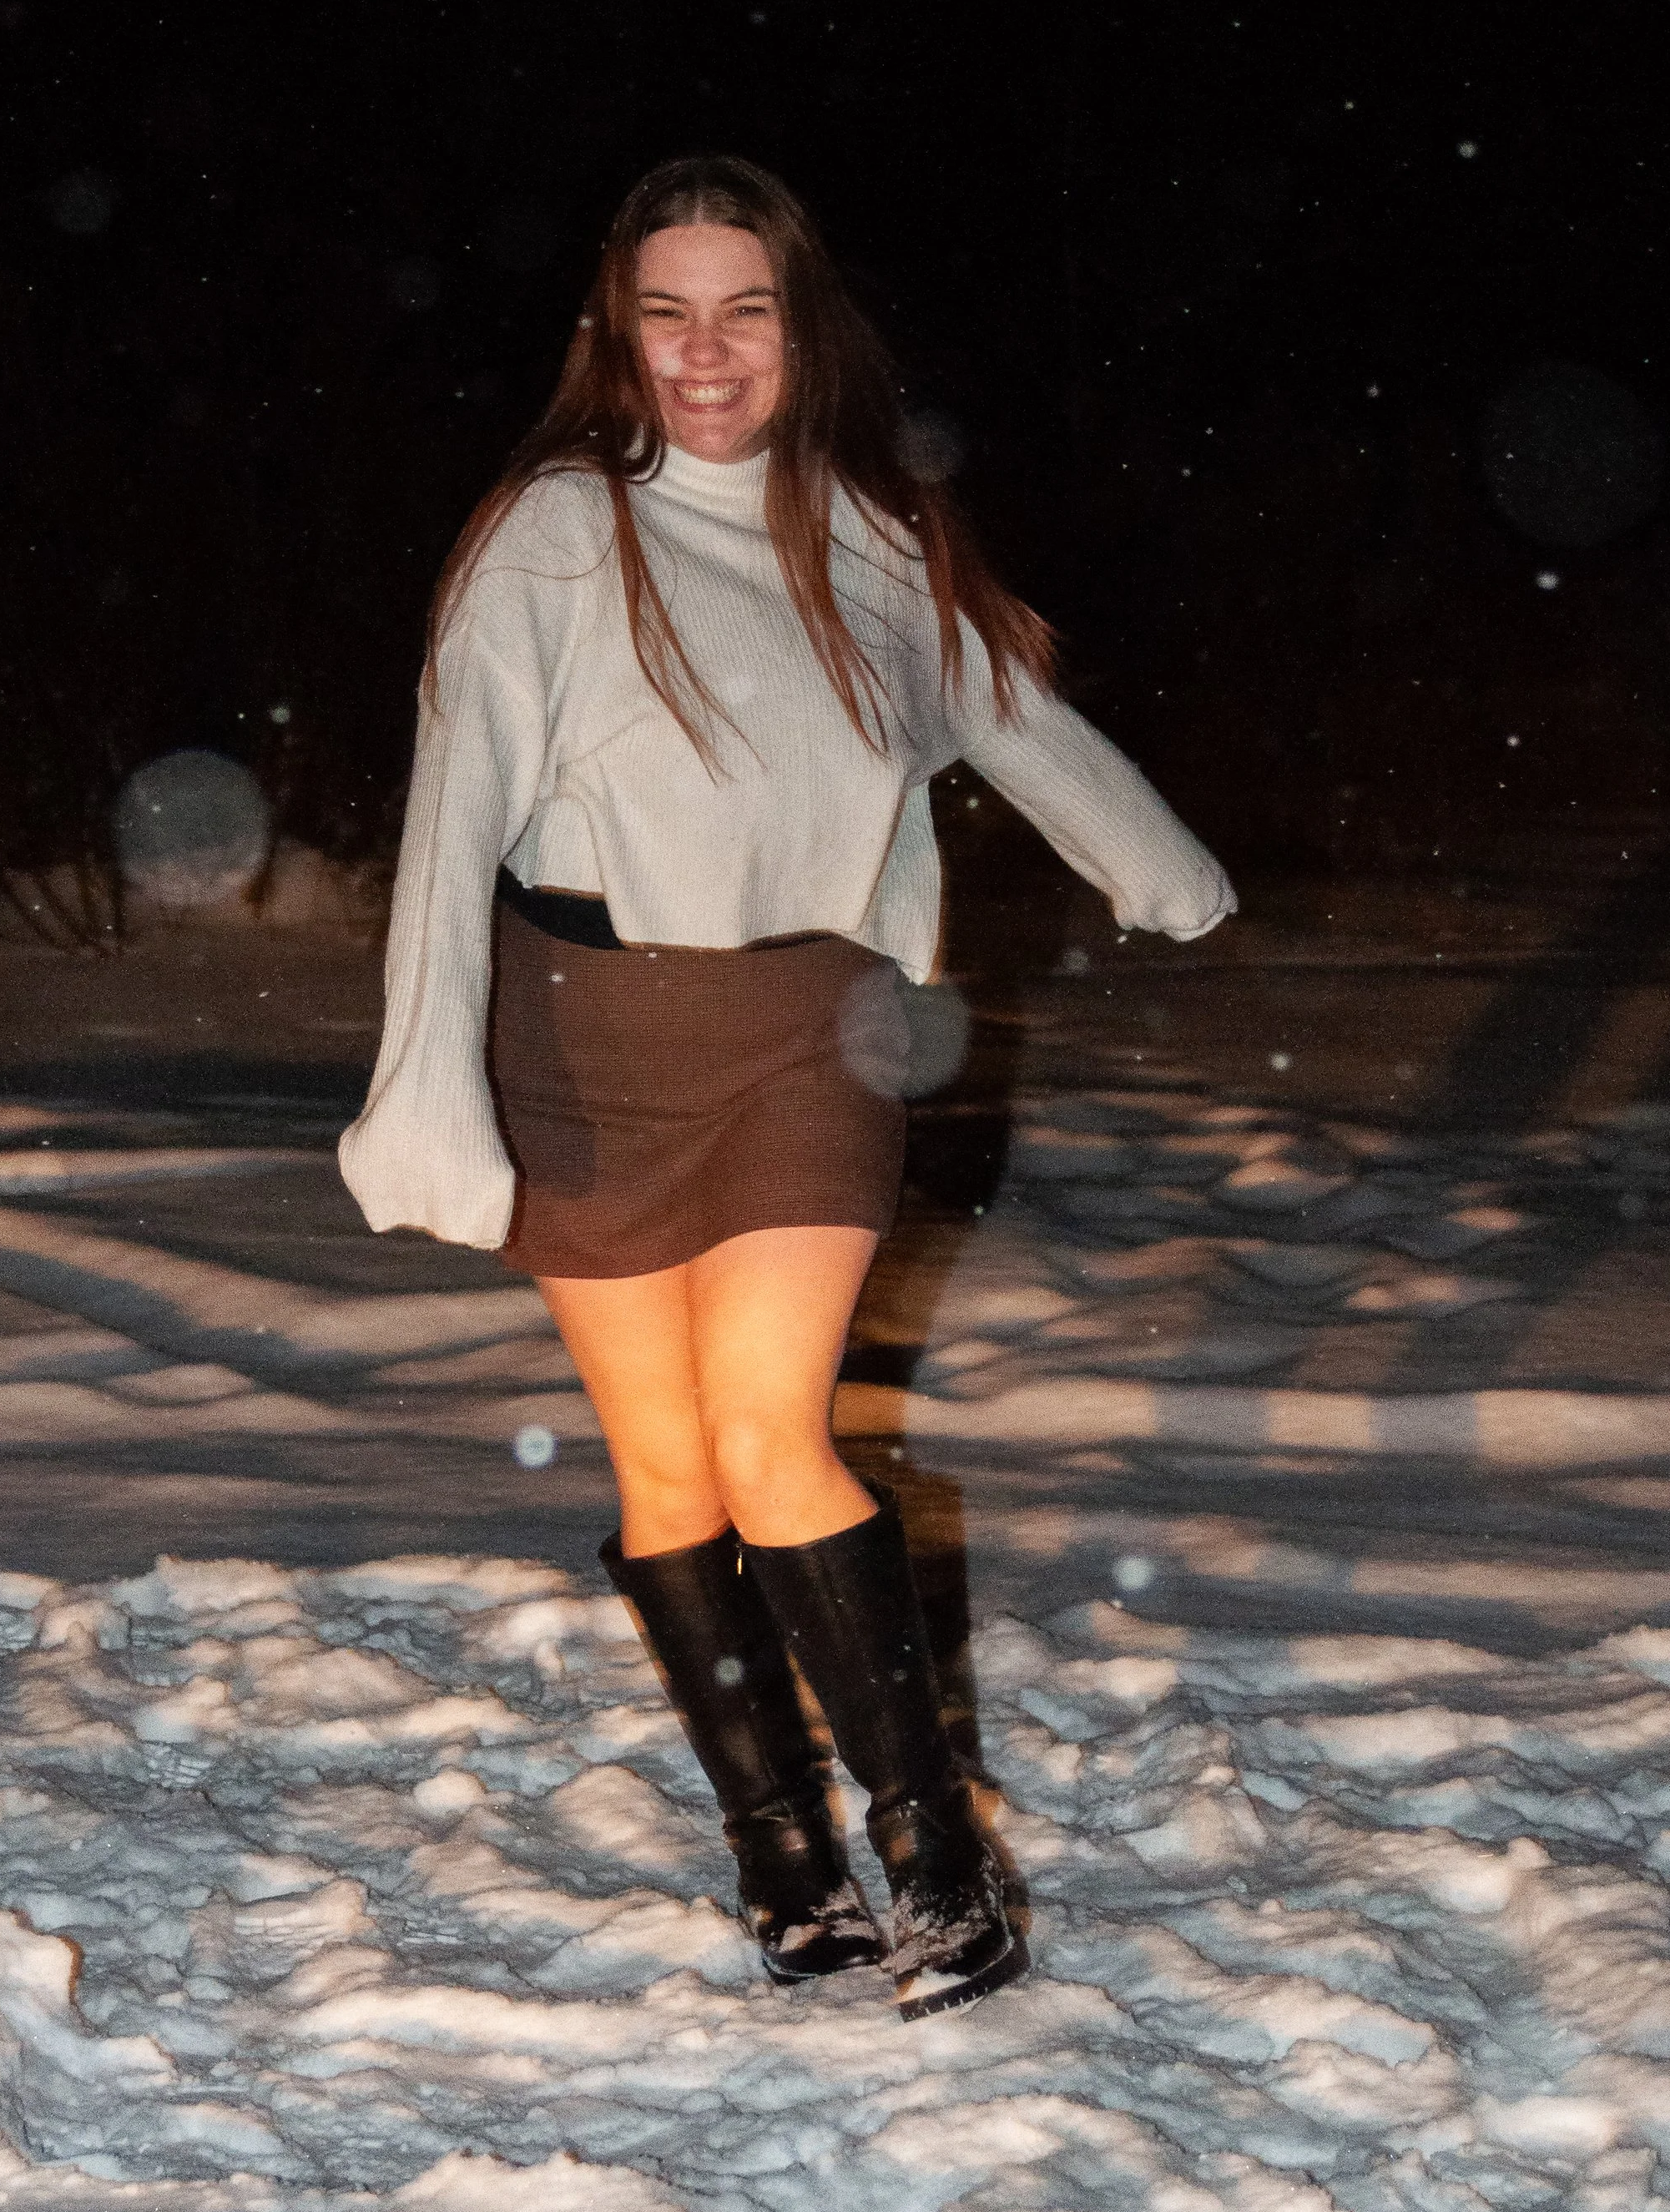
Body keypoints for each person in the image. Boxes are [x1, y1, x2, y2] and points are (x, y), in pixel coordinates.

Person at [340, 154, 1234, 2020]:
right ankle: (777, 1850)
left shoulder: (870, 537)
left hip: (814, 1035)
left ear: (797, 326)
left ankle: (931, 1856)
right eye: (664, 312)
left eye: (741, 308)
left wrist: (1155, 861)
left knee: (771, 1432)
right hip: (580, 1034)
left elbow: (1007, 709)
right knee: (668, 1466)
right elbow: (452, 817)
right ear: (616, 333)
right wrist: (424, 1082)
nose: (705, 350)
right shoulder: (557, 535)